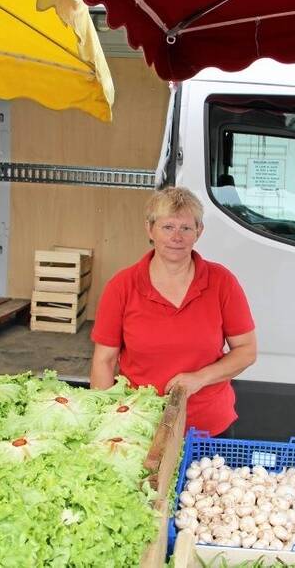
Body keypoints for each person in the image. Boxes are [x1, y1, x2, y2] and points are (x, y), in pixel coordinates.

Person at [90, 187, 257, 436]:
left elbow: (246, 351)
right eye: (168, 227)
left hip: (207, 428)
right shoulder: (122, 286)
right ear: (150, 229)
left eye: (186, 228)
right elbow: (104, 361)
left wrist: (200, 378)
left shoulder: (221, 282)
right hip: (141, 426)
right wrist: (107, 422)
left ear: (199, 232)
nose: (176, 237)